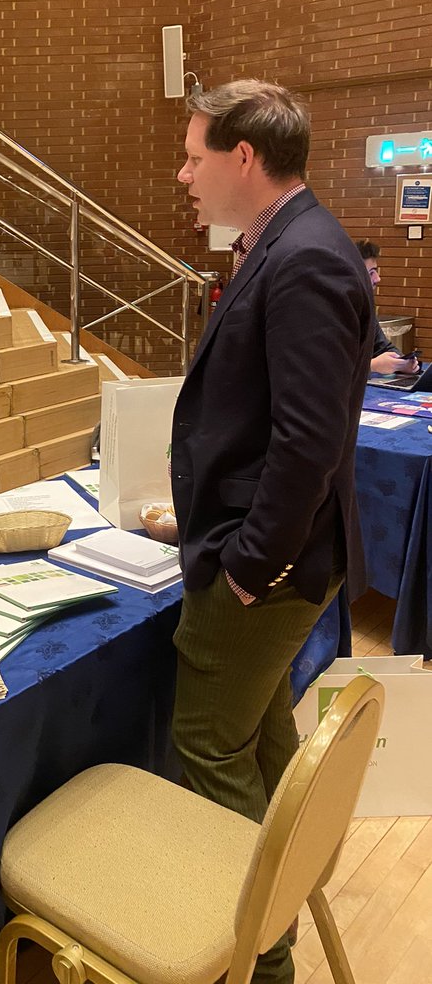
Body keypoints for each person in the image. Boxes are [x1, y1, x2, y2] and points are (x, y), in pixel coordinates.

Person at [171, 81, 375, 984]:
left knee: (210, 742)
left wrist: (249, 567)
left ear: (242, 158)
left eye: (193, 156)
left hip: (270, 567)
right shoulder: (284, 244)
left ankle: (262, 958)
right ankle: (283, 907)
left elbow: (308, 443)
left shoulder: (306, 259)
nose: (184, 175)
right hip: (259, 548)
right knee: (254, 737)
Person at [354, 238, 419, 376]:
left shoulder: (366, 307)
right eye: (371, 273)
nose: (378, 279)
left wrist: (402, 362)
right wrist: (373, 365)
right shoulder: (332, 312)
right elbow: (324, 367)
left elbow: (383, 347)